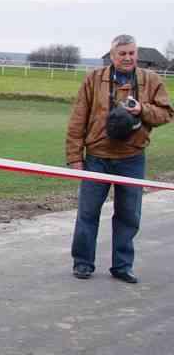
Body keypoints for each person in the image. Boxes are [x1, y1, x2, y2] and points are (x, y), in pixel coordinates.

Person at [67, 34, 173, 283]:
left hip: (132, 158)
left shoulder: (151, 80)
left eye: (132, 53)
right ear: (112, 55)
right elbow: (78, 119)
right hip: (96, 157)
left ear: (137, 54)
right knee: (87, 213)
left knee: (128, 215)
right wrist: (75, 157)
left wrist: (141, 109)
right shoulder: (93, 79)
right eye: (122, 53)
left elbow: (166, 113)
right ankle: (83, 263)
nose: (127, 58)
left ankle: (122, 266)